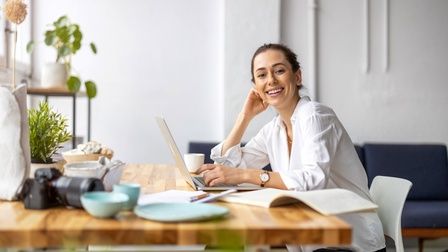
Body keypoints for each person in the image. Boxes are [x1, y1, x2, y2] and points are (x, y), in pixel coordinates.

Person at [196, 43, 386, 252]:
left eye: (279, 70)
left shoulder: (314, 115)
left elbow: (313, 180)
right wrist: (245, 116)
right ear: (256, 87)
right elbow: (230, 167)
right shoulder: (274, 129)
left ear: (297, 77)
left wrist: (246, 175)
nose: (271, 80)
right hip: (309, 241)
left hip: (350, 243)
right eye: (262, 75)